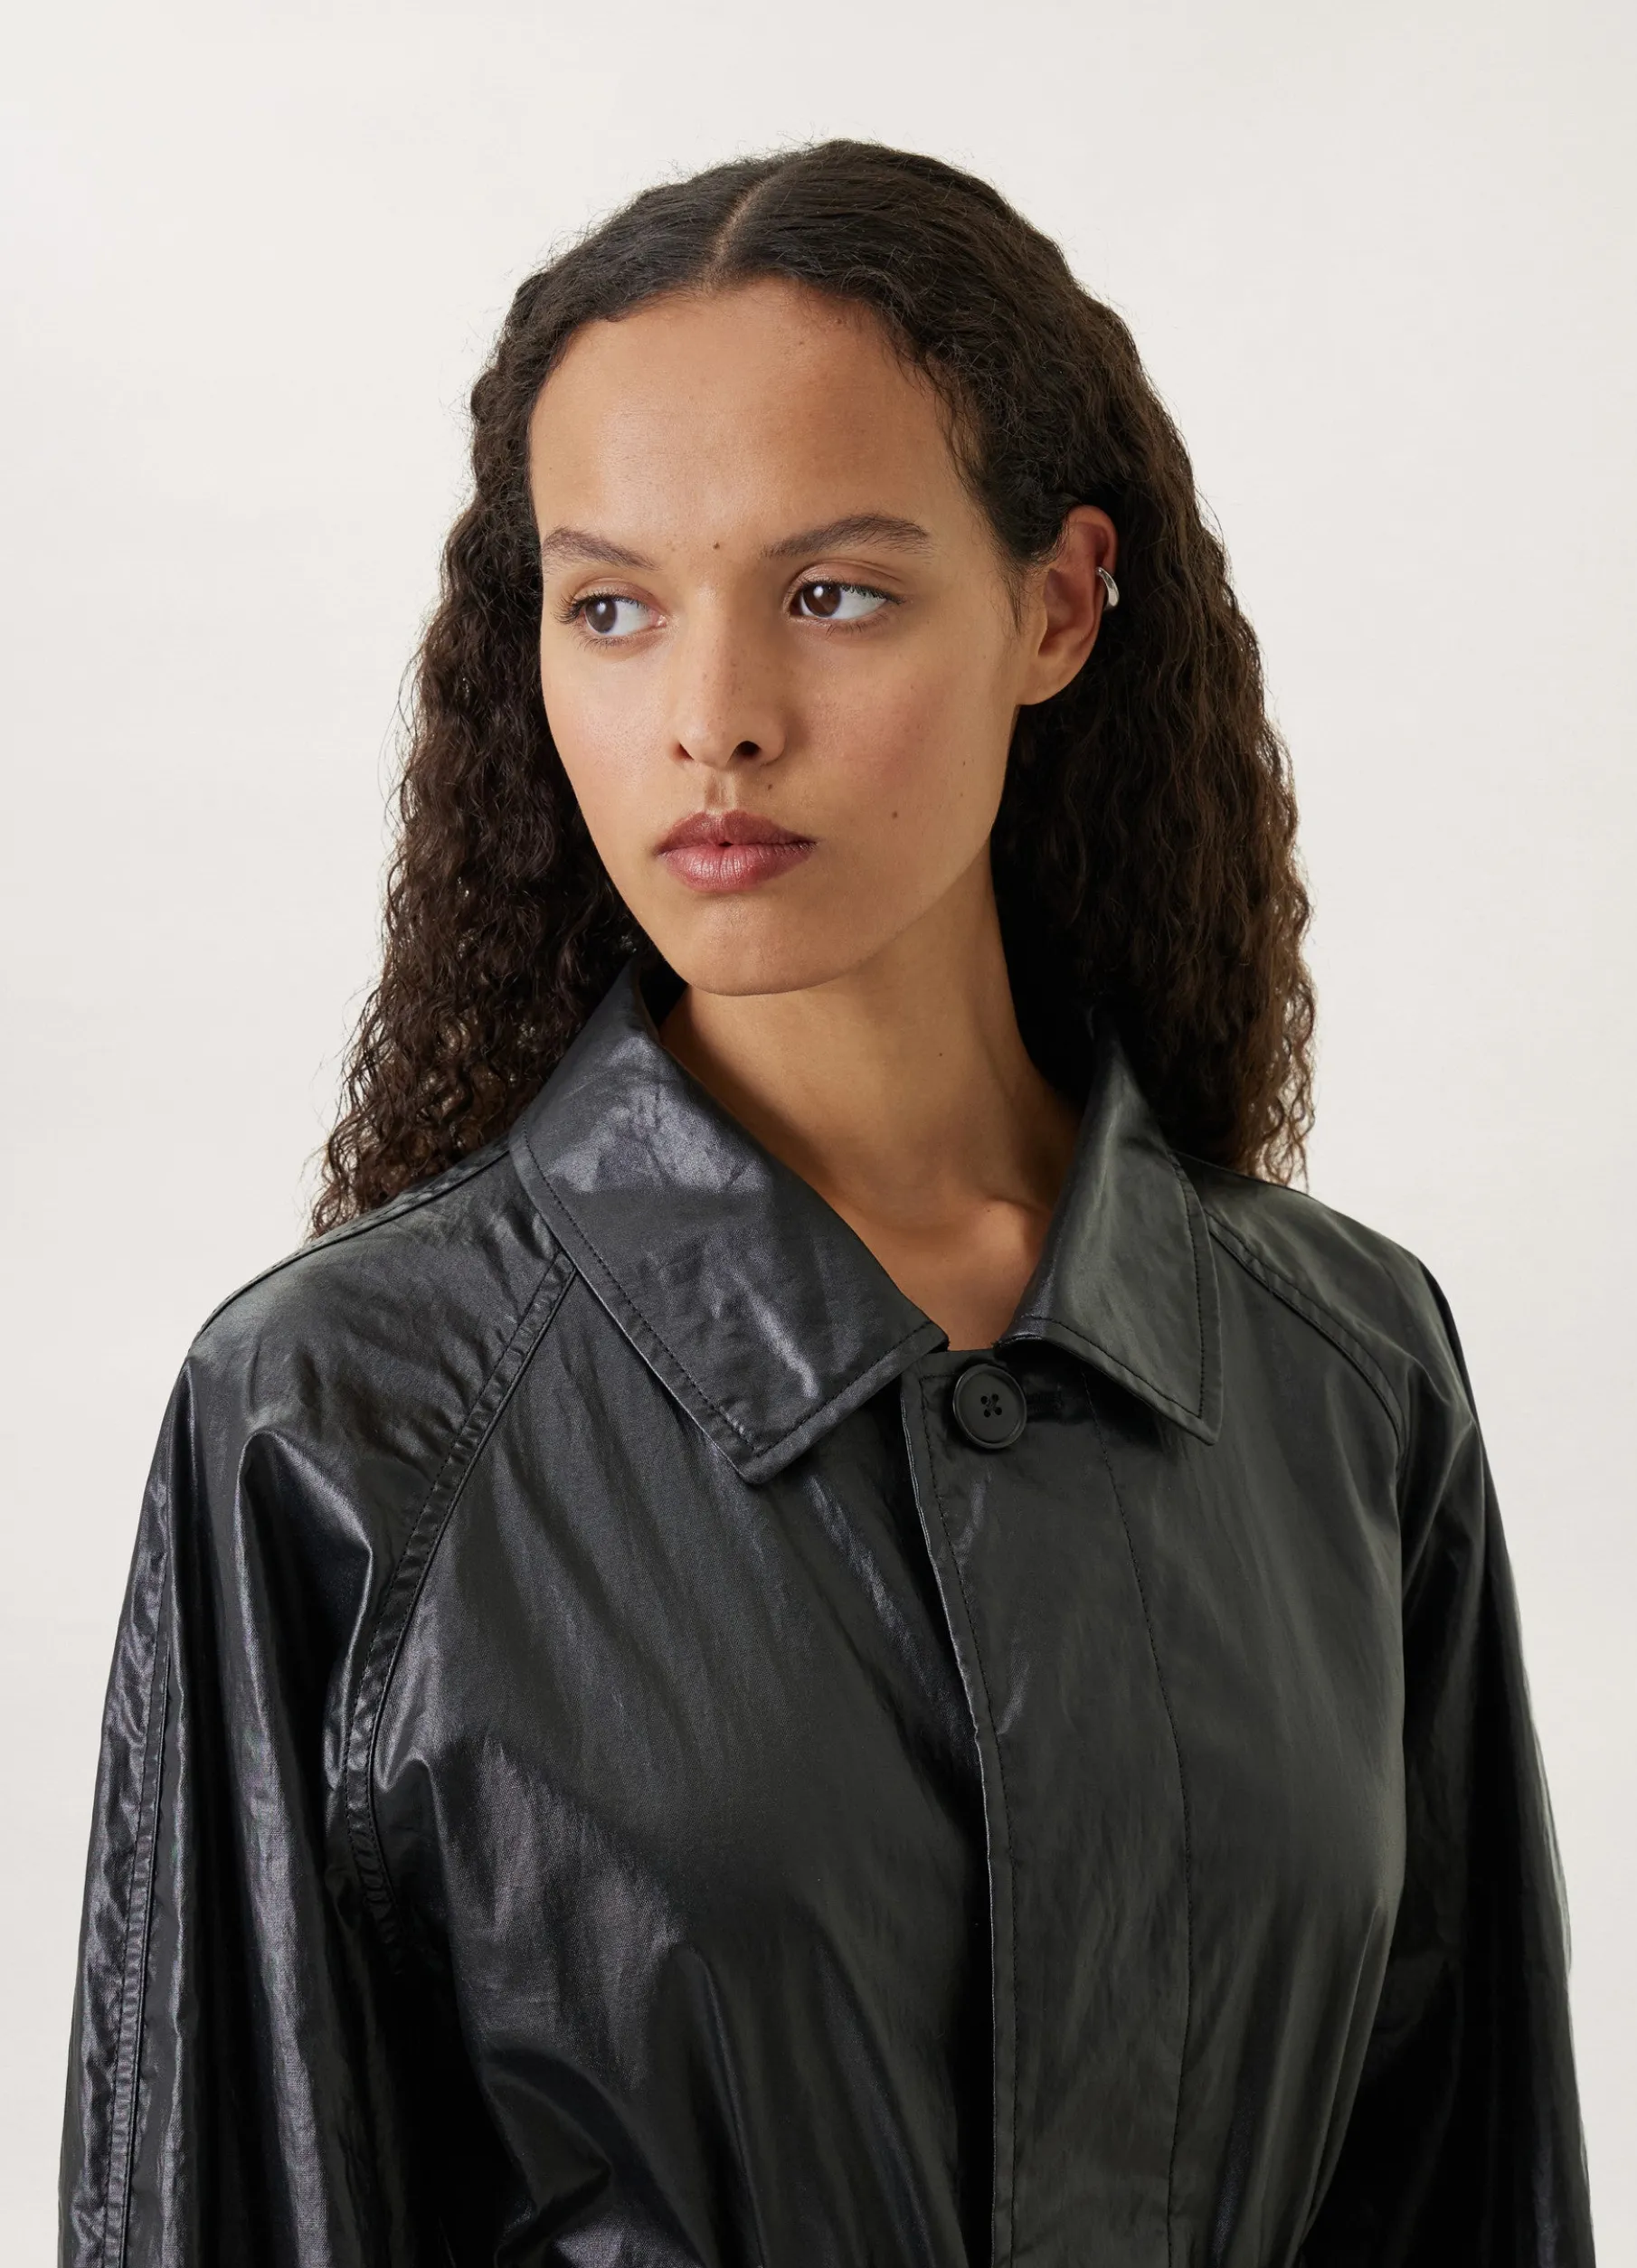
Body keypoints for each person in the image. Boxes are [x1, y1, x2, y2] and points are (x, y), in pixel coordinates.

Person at [60, 141, 1593, 2268]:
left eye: (830, 595)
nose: (712, 724)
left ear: (1055, 605)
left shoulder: (1340, 1372)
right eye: (610, 608)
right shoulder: (338, 1419)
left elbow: (1465, 2180)